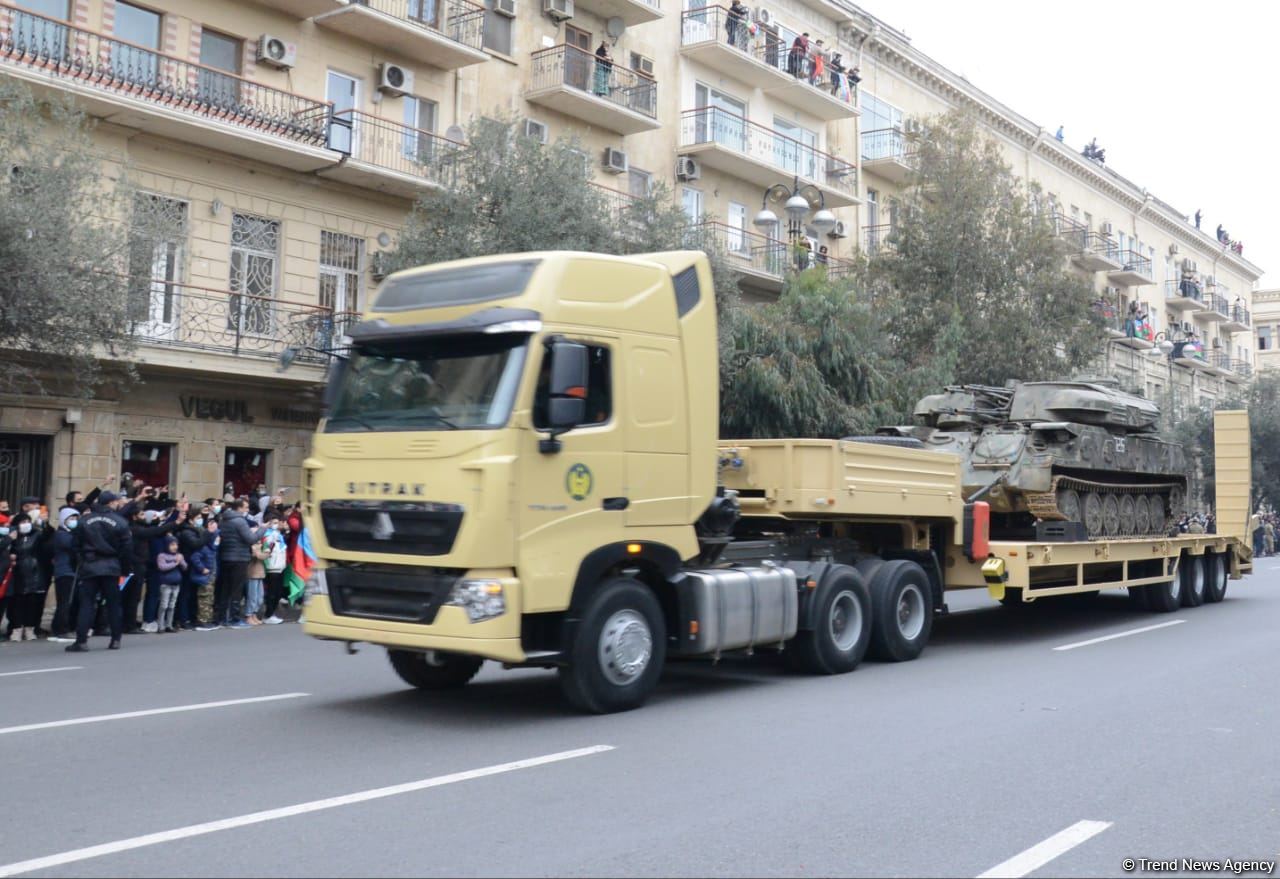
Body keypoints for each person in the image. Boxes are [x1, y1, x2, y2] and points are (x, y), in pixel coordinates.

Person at [67, 491, 132, 652]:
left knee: (87, 604)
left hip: (90, 565)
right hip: (112, 566)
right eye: (116, 502)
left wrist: (81, 561)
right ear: (110, 503)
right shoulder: (120, 521)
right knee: (113, 604)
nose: (118, 504)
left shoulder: (84, 521)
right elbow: (127, 548)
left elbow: (75, 545)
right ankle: (115, 640)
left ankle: (81, 641)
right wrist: (124, 569)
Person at [214, 498, 265, 629]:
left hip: (225, 557)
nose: (247, 510)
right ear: (240, 508)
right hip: (239, 558)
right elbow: (250, 538)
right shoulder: (240, 521)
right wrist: (262, 529)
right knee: (236, 589)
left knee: (225, 588)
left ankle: (221, 618)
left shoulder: (224, 519)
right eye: (246, 507)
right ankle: (234, 618)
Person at [7, 513, 47, 641]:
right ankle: (17, 629)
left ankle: (30, 628)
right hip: (17, 572)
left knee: (32, 601)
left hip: (34, 572)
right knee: (17, 602)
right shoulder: (13, 537)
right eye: (22, 522)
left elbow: (48, 536)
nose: (26, 524)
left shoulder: (37, 535)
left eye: (28, 521)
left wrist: (44, 524)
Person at [51, 508, 80, 638]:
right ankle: (61, 629)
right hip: (64, 571)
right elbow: (73, 545)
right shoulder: (61, 534)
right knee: (64, 602)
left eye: (75, 519)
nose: (74, 521)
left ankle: (62, 626)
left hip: (72, 571)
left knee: (69, 601)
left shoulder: (72, 533)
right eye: (71, 519)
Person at [192, 519, 221, 631]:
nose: (218, 539)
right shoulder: (204, 548)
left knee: (209, 598)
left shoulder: (213, 550)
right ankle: (202, 621)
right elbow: (195, 558)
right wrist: (202, 568)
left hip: (211, 577)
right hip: (205, 577)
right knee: (204, 598)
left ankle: (208, 619)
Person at [154, 536, 186, 633]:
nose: (175, 547)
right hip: (165, 584)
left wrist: (181, 561)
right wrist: (175, 563)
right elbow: (162, 567)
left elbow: (185, 567)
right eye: (172, 545)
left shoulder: (178, 555)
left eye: (176, 545)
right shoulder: (162, 555)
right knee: (164, 605)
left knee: (172, 605)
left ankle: (169, 625)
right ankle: (160, 626)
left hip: (176, 584)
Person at [262, 518, 289, 625]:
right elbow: (267, 548)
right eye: (274, 523)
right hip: (272, 567)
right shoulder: (267, 535)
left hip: (280, 566)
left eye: (278, 522)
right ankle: (268, 615)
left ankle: (272, 613)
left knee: (278, 593)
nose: (276, 525)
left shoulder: (279, 535)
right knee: (272, 593)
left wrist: (286, 531)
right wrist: (271, 540)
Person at [245, 528, 270, 626]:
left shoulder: (262, 544)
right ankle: (249, 615)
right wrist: (262, 553)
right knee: (252, 597)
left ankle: (254, 614)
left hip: (261, 573)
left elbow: (265, 555)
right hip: (252, 573)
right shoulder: (250, 545)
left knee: (260, 597)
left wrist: (263, 553)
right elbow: (260, 556)